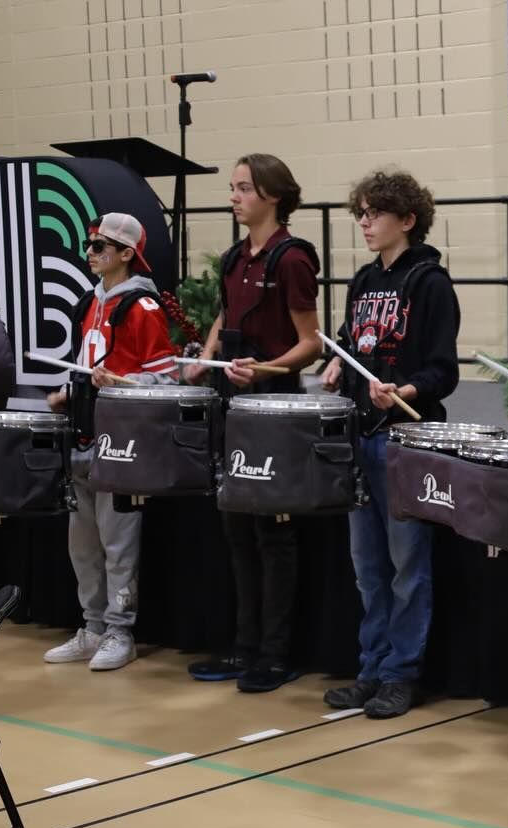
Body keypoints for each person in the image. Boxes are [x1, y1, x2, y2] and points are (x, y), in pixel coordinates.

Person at [319, 169, 459, 719]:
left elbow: (443, 371)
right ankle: (371, 669)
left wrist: (406, 389)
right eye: (360, 212)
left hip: (406, 442)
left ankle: (402, 674)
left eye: (375, 213)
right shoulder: (361, 281)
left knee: (408, 567)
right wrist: (337, 364)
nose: (364, 222)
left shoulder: (430, 284)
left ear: (407, 220)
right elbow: (355, 344)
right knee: (367, 568)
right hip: (361, 439)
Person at [184, 154, 322, 692]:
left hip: (273, 408)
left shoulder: (291, 259)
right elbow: (223, 314)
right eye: (233, 187)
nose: (234, 196)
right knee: (235, 528)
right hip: (230, 402)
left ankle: (276, 651)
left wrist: (263, 368)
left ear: (272, 195)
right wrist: (207, 355)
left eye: (244, 187)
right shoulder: (233, 258)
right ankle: (243, 646)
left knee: (273, 535)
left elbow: (310, 343)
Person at [43, 213, 177, 671]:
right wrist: (70, 392)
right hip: (83, 433)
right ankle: (93, 626)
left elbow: (166, 381)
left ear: (126, 255)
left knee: (118, 543)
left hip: (122, 442)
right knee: (82, 542)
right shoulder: (88, 302)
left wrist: (121, 383)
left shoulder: (143, 307)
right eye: (89, 244)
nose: (91, 253)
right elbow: (84, 363)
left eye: (101, 246)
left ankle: (121, 629)